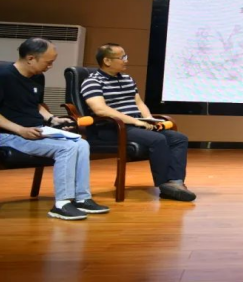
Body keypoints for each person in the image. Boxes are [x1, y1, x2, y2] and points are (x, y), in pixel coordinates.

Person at [0, 37, 109, 220]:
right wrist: (20, 130)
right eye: (48, 62)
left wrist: (52, 118)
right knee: (67, 148)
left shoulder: (38, 77)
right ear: (31, 58)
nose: (50, 66)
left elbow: (36, 104)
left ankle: (82, 198)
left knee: (81, 144)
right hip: (8, 134)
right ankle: (62, 204)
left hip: (36, 130)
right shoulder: (3, 76)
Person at [81, 43, 195, 201]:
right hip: (112, 128)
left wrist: (149, 119)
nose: (126, 60)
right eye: (122, 57)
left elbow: (139, 103)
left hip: (135, 125)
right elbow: (101, 110)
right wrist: (135, 121)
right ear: (107, 61)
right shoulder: (93, 81)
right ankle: (165, 184)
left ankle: (176, 182)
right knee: (157, 139)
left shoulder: (127, 79)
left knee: (178, 138)